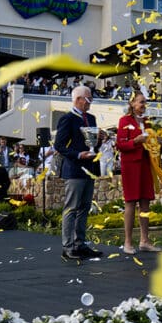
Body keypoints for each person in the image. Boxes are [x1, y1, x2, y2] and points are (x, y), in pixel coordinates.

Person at [53, 85, 103, 260]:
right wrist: (77, 154)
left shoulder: (91, 118)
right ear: (78, 99)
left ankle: (79, 244)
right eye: (88, 98)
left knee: (84, 207)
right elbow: (58, 145)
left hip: (89, 167)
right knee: (72, 207)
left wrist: (99, 141)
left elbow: (92, 144)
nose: (90, 101)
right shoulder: (68, 118)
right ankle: (68, 247)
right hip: (75, 168)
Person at [116, 91, 162, 255]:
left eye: (144, 102)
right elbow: (120, 145)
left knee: (145, 202)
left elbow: (150, 142)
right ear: (132, 103)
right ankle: (128, 241)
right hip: (131, 165)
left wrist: (158, 141)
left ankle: (144, 240)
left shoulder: (146, 122)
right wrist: (135, 141)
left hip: (145, 164)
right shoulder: (124, 121)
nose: (143, 105)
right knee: (130, 202)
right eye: (141, 102)